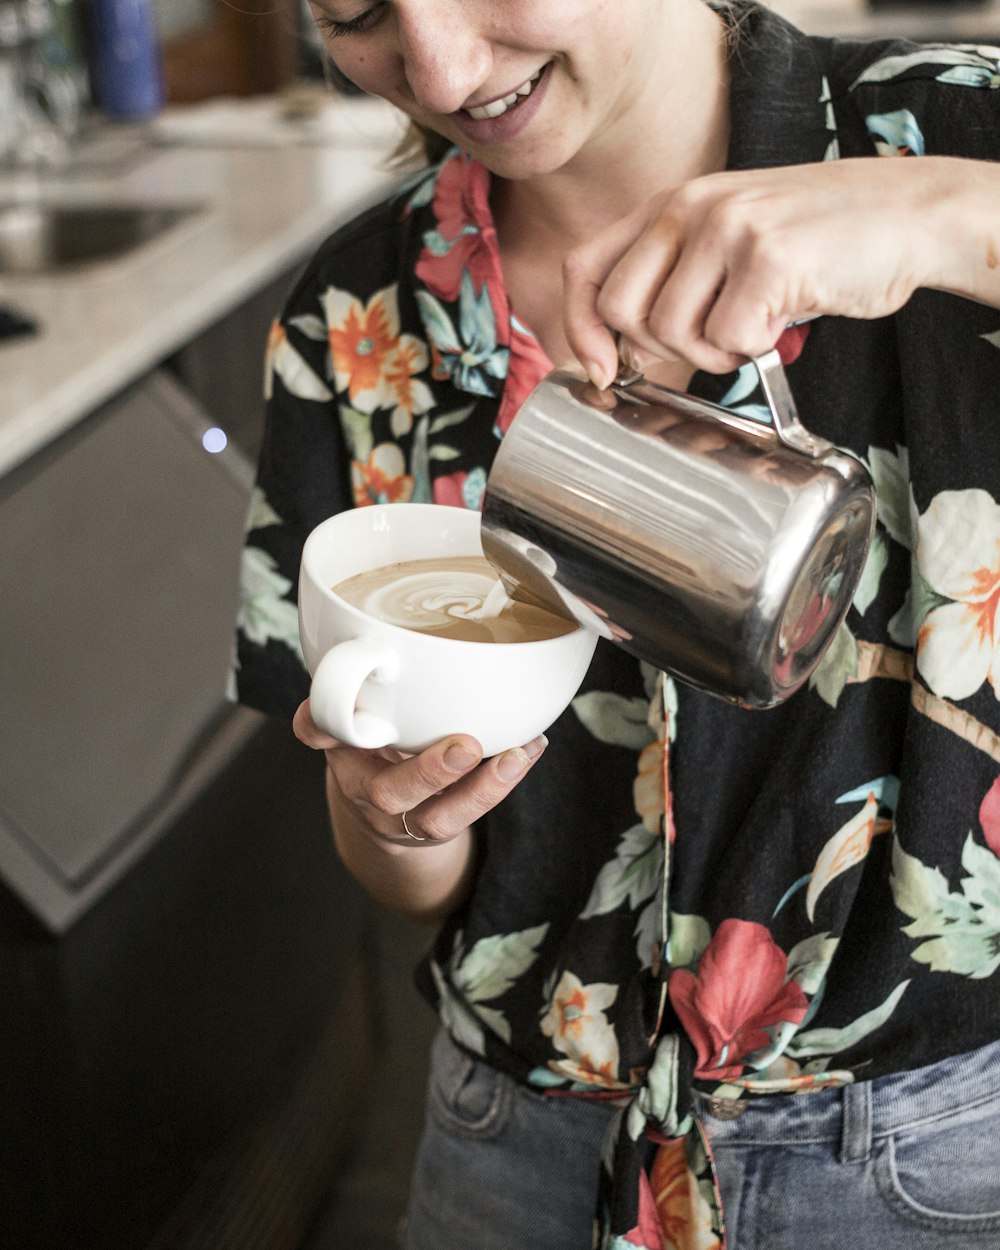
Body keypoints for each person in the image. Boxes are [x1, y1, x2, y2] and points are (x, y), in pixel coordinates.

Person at [232, 1, 1000, 1246]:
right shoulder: (360, 306)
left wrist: (941, 215)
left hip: (930, 1151)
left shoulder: (950, 129)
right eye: (357, 12)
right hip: (513, 1139)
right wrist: (391, 812)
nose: (435, 66)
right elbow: (413, 876)